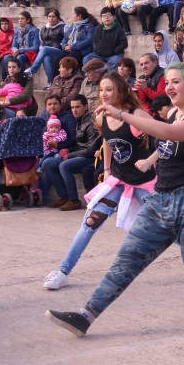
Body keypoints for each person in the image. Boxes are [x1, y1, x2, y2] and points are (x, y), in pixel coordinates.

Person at [47, 63, 184, 336]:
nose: (169, 87)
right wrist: (151, 159)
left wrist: (122, 115)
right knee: (127, 258)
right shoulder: (173, 113)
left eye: (176, 82)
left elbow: (169, 134)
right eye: (168, 82)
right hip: (161, 198)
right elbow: (167, 145)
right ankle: (85, 315)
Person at [43, 73, 158, 290]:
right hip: (118, 180)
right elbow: (107, 140)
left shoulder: (136, 114)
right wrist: (106, 170)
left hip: (143, 184)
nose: (103, 94)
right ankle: (63, 271)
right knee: (89, 222)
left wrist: (149, 160)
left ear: (121, 91)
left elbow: (167, 138)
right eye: (101, 89)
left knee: (167, 224)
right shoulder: (101, 116)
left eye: (109, 89)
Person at [40, 94, 101, 211]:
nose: (74, 110)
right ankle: (64, 196)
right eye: (72, 107)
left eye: (77, 107)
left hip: (91, 158)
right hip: (80, 154)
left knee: (64, 165)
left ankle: (74, 200)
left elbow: (91, 150)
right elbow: (80, 145)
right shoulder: (79, 120)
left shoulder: (91, 122)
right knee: (48, 164)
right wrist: (68, 150)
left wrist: (69, 155)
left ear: (86, 107)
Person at [25, 9, 65, 85]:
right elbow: (41, 43)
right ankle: (51, 82)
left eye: (53, 16)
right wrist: (41, 51)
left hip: (59, 51)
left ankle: (32, 70)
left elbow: (67, 39)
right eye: (49, 16)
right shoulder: (43, 29)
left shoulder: (63, 27)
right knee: (46, 58)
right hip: (46, 52)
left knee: (45, 49)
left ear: (58, 18)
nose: (51, 18)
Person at [1, 11, 40, 78]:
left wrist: (21, 50)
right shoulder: (16, 30)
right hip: (18, 52)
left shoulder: (34, 30)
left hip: (29, 53)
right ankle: (9, 79)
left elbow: (35, 48)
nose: (20, 21)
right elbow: (13, 45)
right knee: (6, 58)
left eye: (22, 19)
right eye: (19, 19)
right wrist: (16, 50)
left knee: (20, 58)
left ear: (28, 20)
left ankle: (23, 78)